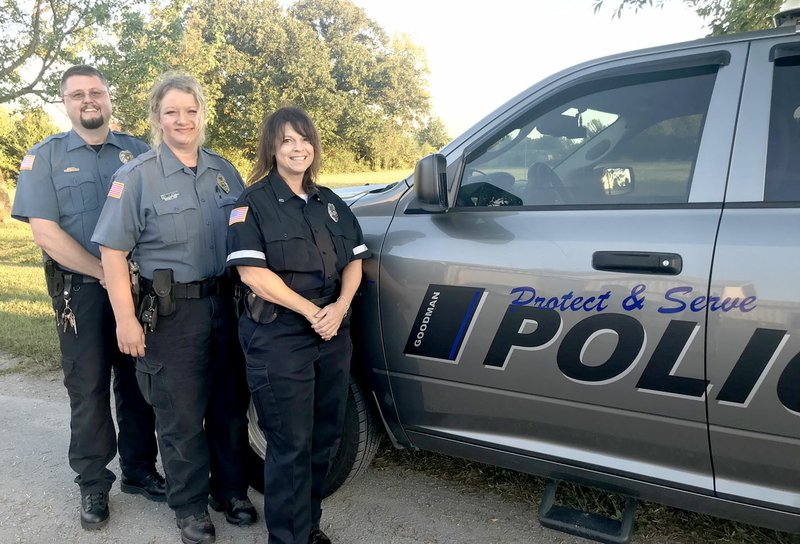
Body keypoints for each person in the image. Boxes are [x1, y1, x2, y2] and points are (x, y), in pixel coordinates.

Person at [91, 73, 256, 544]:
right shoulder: (136, 176)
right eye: (171, 112)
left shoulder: (225, 171)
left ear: (202, 113)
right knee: (180, 415)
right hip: (171, 313)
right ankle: (189, 507)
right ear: (157, 119)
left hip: (225, 304)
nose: (182, 120)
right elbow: (112, 254)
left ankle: (231, 491)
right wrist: (125, 318)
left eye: (190, 110)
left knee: (228, 406)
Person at [11, 65, 164, 530]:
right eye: (77, 94)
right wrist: (103, 271)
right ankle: (94, 483)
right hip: (80, 293)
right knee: (90, 387)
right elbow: (45, 232)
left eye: (96, 92)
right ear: (66, 103)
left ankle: (139, 470)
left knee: (140, 382)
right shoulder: (46, 157)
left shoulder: (139, 152)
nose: (88, 100)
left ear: (109, 98)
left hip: (139, 290)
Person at [226, 107, 370, 544]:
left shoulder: (330, 202)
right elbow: (252, 274)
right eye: (287, 140)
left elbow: (356, 261)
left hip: (331, 333)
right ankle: (287, 538)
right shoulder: (252, 203)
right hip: (280, 336)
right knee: (290, 443)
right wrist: (312, 312)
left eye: (304, 138)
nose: (297, 147)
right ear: (272, 146)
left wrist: (340, 307)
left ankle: (308, 527)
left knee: (324, 437)